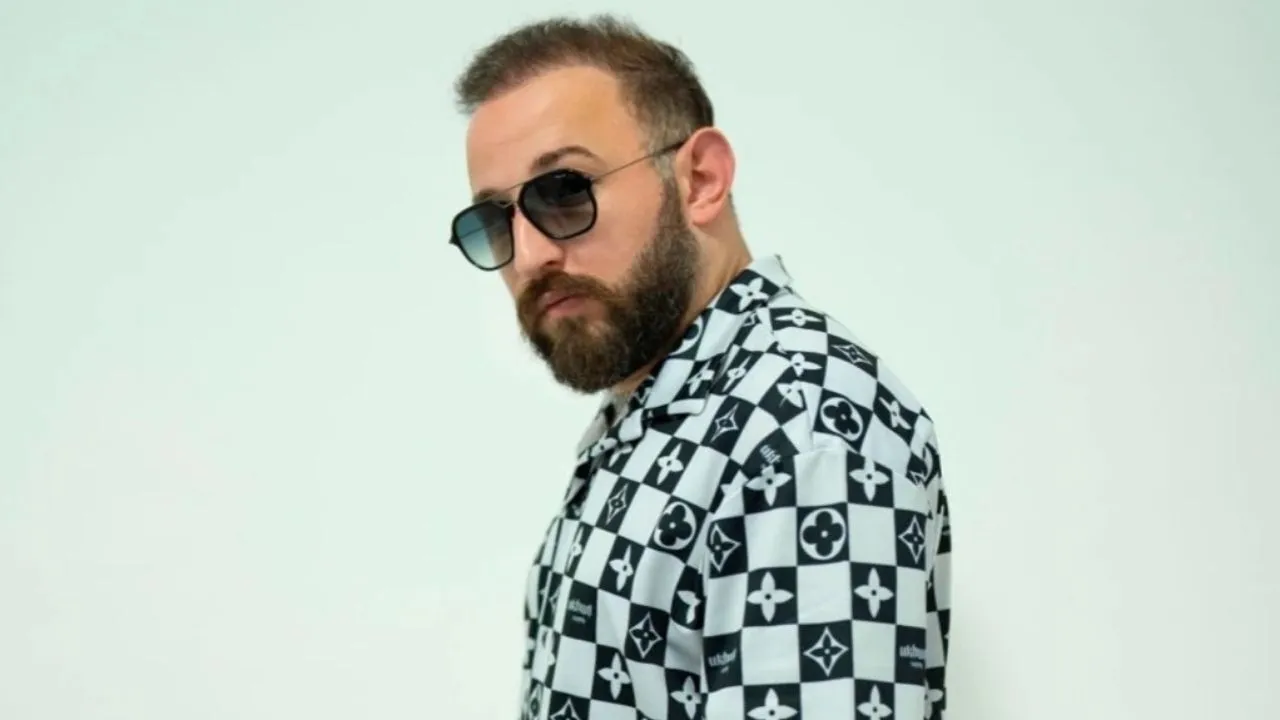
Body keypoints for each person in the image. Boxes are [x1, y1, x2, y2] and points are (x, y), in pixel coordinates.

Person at [447, 14, 952, 720]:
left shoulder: (801, 420)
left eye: (563, 191)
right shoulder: (663, 412)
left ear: (701, 179)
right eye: (494, 222)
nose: (530, 256)